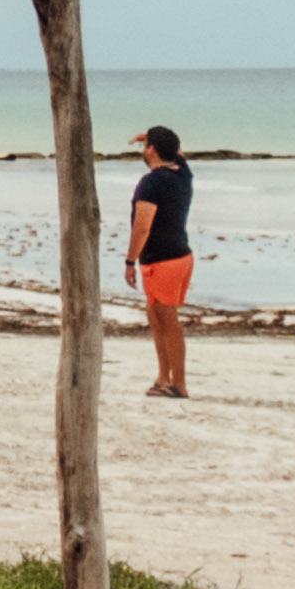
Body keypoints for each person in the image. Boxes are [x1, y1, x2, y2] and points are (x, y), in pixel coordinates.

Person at [125, 125, 199, 399]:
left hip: (163, 260)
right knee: (157, 318)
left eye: (146, 145)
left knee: (167, 322)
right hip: (180, 256)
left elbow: (141, 228)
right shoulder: (182, 174)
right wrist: (155, 139)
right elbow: (178, 155)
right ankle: (163, 378)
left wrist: (129, 261)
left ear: (151, 149)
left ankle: (178, 383)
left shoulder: (152, 182)